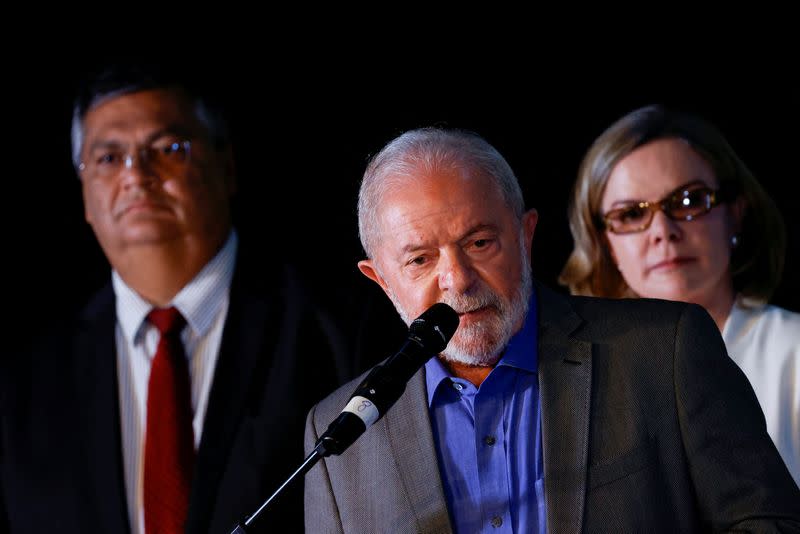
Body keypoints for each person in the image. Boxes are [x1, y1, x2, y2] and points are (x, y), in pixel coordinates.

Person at [303, 127, 800, 533]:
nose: (456, 279)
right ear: (381, 279)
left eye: (479, 242)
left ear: (525, 235)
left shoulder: (663, 352)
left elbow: (769, 524)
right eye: (420, 259)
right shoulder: (335, 437)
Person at [0, 63, 351, 534]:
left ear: (225, 166)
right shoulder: (29, 379)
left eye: (167, 150)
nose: (136, 176)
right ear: (84, 194)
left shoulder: (333, 330)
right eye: (108, 158)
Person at [559, 104, 800, 486]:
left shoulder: (794, 351)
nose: (663, 231)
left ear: (735, 214)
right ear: (605, 245)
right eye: (632, 214)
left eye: (689, 202)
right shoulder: (571, 379)